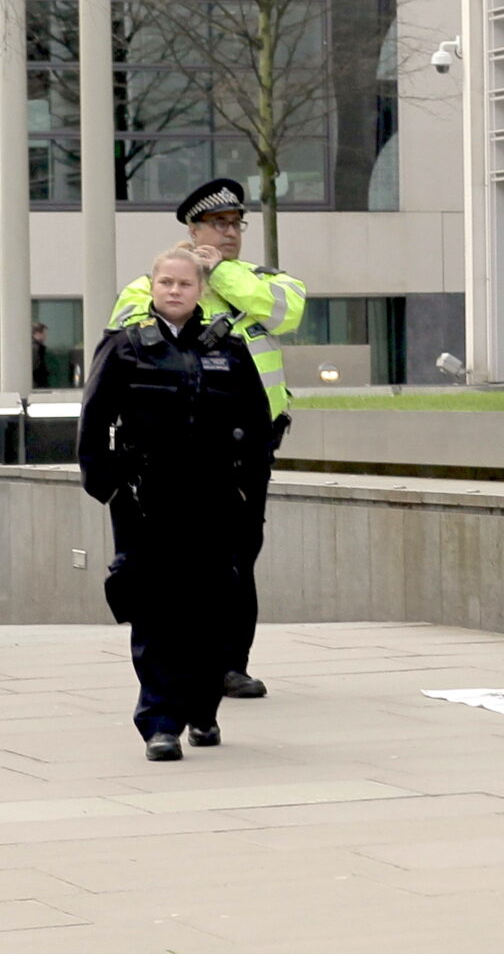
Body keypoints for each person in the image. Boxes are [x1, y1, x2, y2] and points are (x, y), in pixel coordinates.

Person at [110, 179, 305, 700]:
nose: (229, 232)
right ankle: (179, 666)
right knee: (178, 561)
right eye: (217, 224)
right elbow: (128, 337)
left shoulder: (260, 280)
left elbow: (287, 312)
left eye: (236, 223)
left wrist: (222, 274)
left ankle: (229, 664)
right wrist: (193, 279)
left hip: (249, 449)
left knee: (240, 556)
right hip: (178, 452)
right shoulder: (153, 284)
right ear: (192, 230)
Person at [79, 243, 274, 760]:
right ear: (152, 285)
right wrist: (109, 486)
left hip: (214, 499)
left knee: (212, 608)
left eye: (185, 284)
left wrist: (245, 487)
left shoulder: (228, 349)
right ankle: (160, 722)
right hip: (147, 500)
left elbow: (257, 423)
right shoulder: (124, 347)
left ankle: (203, 711)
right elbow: (94, 421)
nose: (174, 290)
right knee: (156, 610)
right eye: (165, 282)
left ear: (200, 290)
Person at [29, 321, 49, 388]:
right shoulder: (36, 349)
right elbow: (36, 367)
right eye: (43, 333)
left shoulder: (33, 347)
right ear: (37, 334)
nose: (45, 336)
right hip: (38, 385)